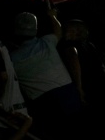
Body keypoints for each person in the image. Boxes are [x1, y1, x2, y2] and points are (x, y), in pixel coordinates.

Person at [9, 8, 82, 139]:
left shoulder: (12, 59)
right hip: (68, 96)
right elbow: (58, 31)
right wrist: (52, 16)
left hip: (44, 105)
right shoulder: (47, 42)